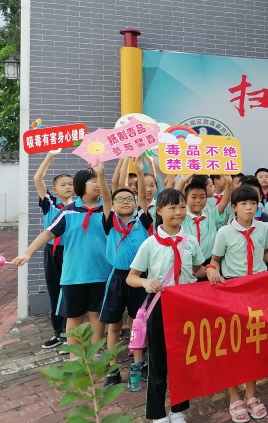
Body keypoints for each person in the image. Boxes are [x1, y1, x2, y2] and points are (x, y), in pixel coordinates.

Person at [206, 185, 268, 422]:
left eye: (253, 203)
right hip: (234, 290)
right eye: (243, 204)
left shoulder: (263, 227)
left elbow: (265, 253)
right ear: (234, 207)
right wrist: (212, 269)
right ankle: (234, 397)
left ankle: (251, 395)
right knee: (233, 345)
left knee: (254, 343)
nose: (249, 207)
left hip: (259, 290)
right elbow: (215, 259)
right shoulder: (224, 232)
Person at [127, 188, 206, 423]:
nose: (178, 212)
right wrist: (146, 281)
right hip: (160, 306)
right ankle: (157, 413)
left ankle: (178, 410)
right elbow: (131, 277)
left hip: (187, 305)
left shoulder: (190, 241)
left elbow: (197, 270)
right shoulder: (150, 244)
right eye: (172, 207)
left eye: (182, 207)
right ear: (159, 211)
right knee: (158, 362)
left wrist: (211, 270)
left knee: (183, 361)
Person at [13, 166, 110, 357]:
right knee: (74, 316)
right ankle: (74, 357)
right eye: (93, 181)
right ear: (81, 185)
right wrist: (27, 253)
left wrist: (101, 173)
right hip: (74, 274)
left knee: (96, 315)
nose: (98, 184)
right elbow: (48, 233)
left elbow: (108, 197)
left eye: (99, 181)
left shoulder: (107, 210)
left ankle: (96, 354)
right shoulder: (68, 213)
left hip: (101, 273)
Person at [96, 158, 151, 386]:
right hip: (117, 277)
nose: (125, 202)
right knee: (114, 325)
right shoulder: (110, 221)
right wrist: (101, 174)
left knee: (138, 321)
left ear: (136, 203)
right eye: (120, 199)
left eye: (130, 199)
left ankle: (138, 363)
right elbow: (106, 196)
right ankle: (113, 369)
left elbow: (144, 196)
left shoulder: (143, 219)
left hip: (139, 277)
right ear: (113, 205)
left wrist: (139, 171)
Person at [32, 149, 73, 349]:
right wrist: (50, 156)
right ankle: (58, 333)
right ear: (55, 189)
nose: (68, 187)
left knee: (70, 291)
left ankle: (70, 334)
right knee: (55, 290)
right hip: (53, 252)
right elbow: (37, 178)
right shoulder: (50, 203)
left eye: (71, 184)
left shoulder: (79, 206)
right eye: (63, 185)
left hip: (72, 252)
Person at [177, 174, 232, 264]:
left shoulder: (211, 216)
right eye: (194, 197)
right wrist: (182, 181)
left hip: (208, 262)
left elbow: (224, 202)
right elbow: (173, 199)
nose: (198, 200)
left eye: (202, 197)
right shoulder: (182, 217)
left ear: (206, 199)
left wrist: (229, 184)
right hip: (186, 262)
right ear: (185, 199)